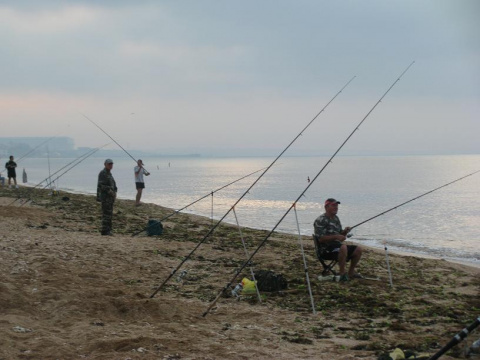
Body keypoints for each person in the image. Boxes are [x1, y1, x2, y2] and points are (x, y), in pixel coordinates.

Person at [313, 198, 362, 282]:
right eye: (333, 205)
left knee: (358, 249)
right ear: (327, 207)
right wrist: (336, 237)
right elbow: (320, 239)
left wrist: (345, 232)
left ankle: (351, 272)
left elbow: (340, 235)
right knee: (343, 247)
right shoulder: (320, 220)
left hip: (337, 246)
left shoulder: (336, 219)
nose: (336, 207)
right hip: (325, 249)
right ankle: (342, 273)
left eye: (337, 206)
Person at [97, 159, 117, 236]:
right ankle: (105, 230)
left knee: (109, 214)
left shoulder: (109, 174)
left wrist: (115, 192)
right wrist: (110, 191)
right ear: (105, 164)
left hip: (110, 198)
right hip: (105, 197)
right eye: (109, 164)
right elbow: (101, 185)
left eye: (111, 164)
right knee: (106, 214)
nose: (110, 165)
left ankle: (108, 230)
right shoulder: (103, 173)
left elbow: (113, 185)